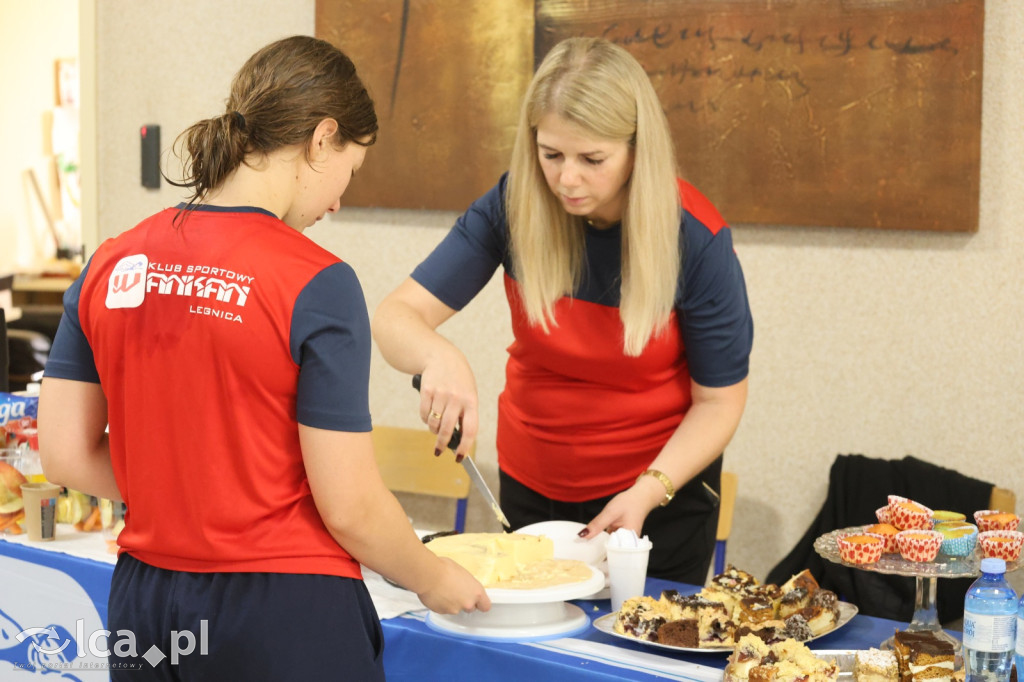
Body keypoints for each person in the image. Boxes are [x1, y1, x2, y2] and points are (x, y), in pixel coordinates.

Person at [37, 35, 489, 680]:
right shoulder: (316, 280)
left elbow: (65, 454)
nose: (337, 202)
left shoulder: (111, 261)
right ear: (322, 138)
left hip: (146, 608)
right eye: (348, 174)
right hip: (282, 610)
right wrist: (432, 577)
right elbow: (351, 507)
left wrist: (183, 495)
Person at [372, 36, 753, 585]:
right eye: (551, 155)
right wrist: (439, 355)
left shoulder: (695, 240)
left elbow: (719, 402)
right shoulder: (514, 204)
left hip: (656, 496)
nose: (566, 179)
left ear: (635, 151)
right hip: (532, 486)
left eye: (592, 159)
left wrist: (647, 491)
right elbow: (394, 316)